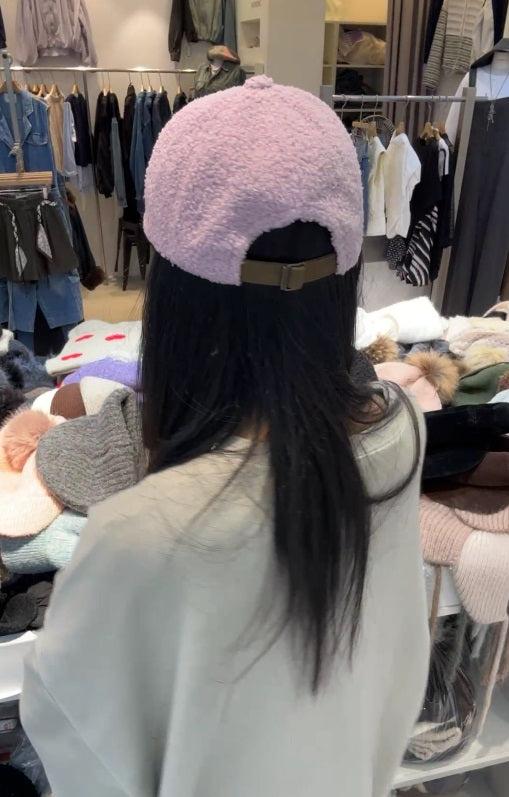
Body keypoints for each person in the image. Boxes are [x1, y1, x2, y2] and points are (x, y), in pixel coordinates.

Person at [21, 76, 429, 797]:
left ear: (174, 292)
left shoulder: (140, 532)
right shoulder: (397, 433)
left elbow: (78, 742)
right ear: (342, 279)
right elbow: (398, 670)